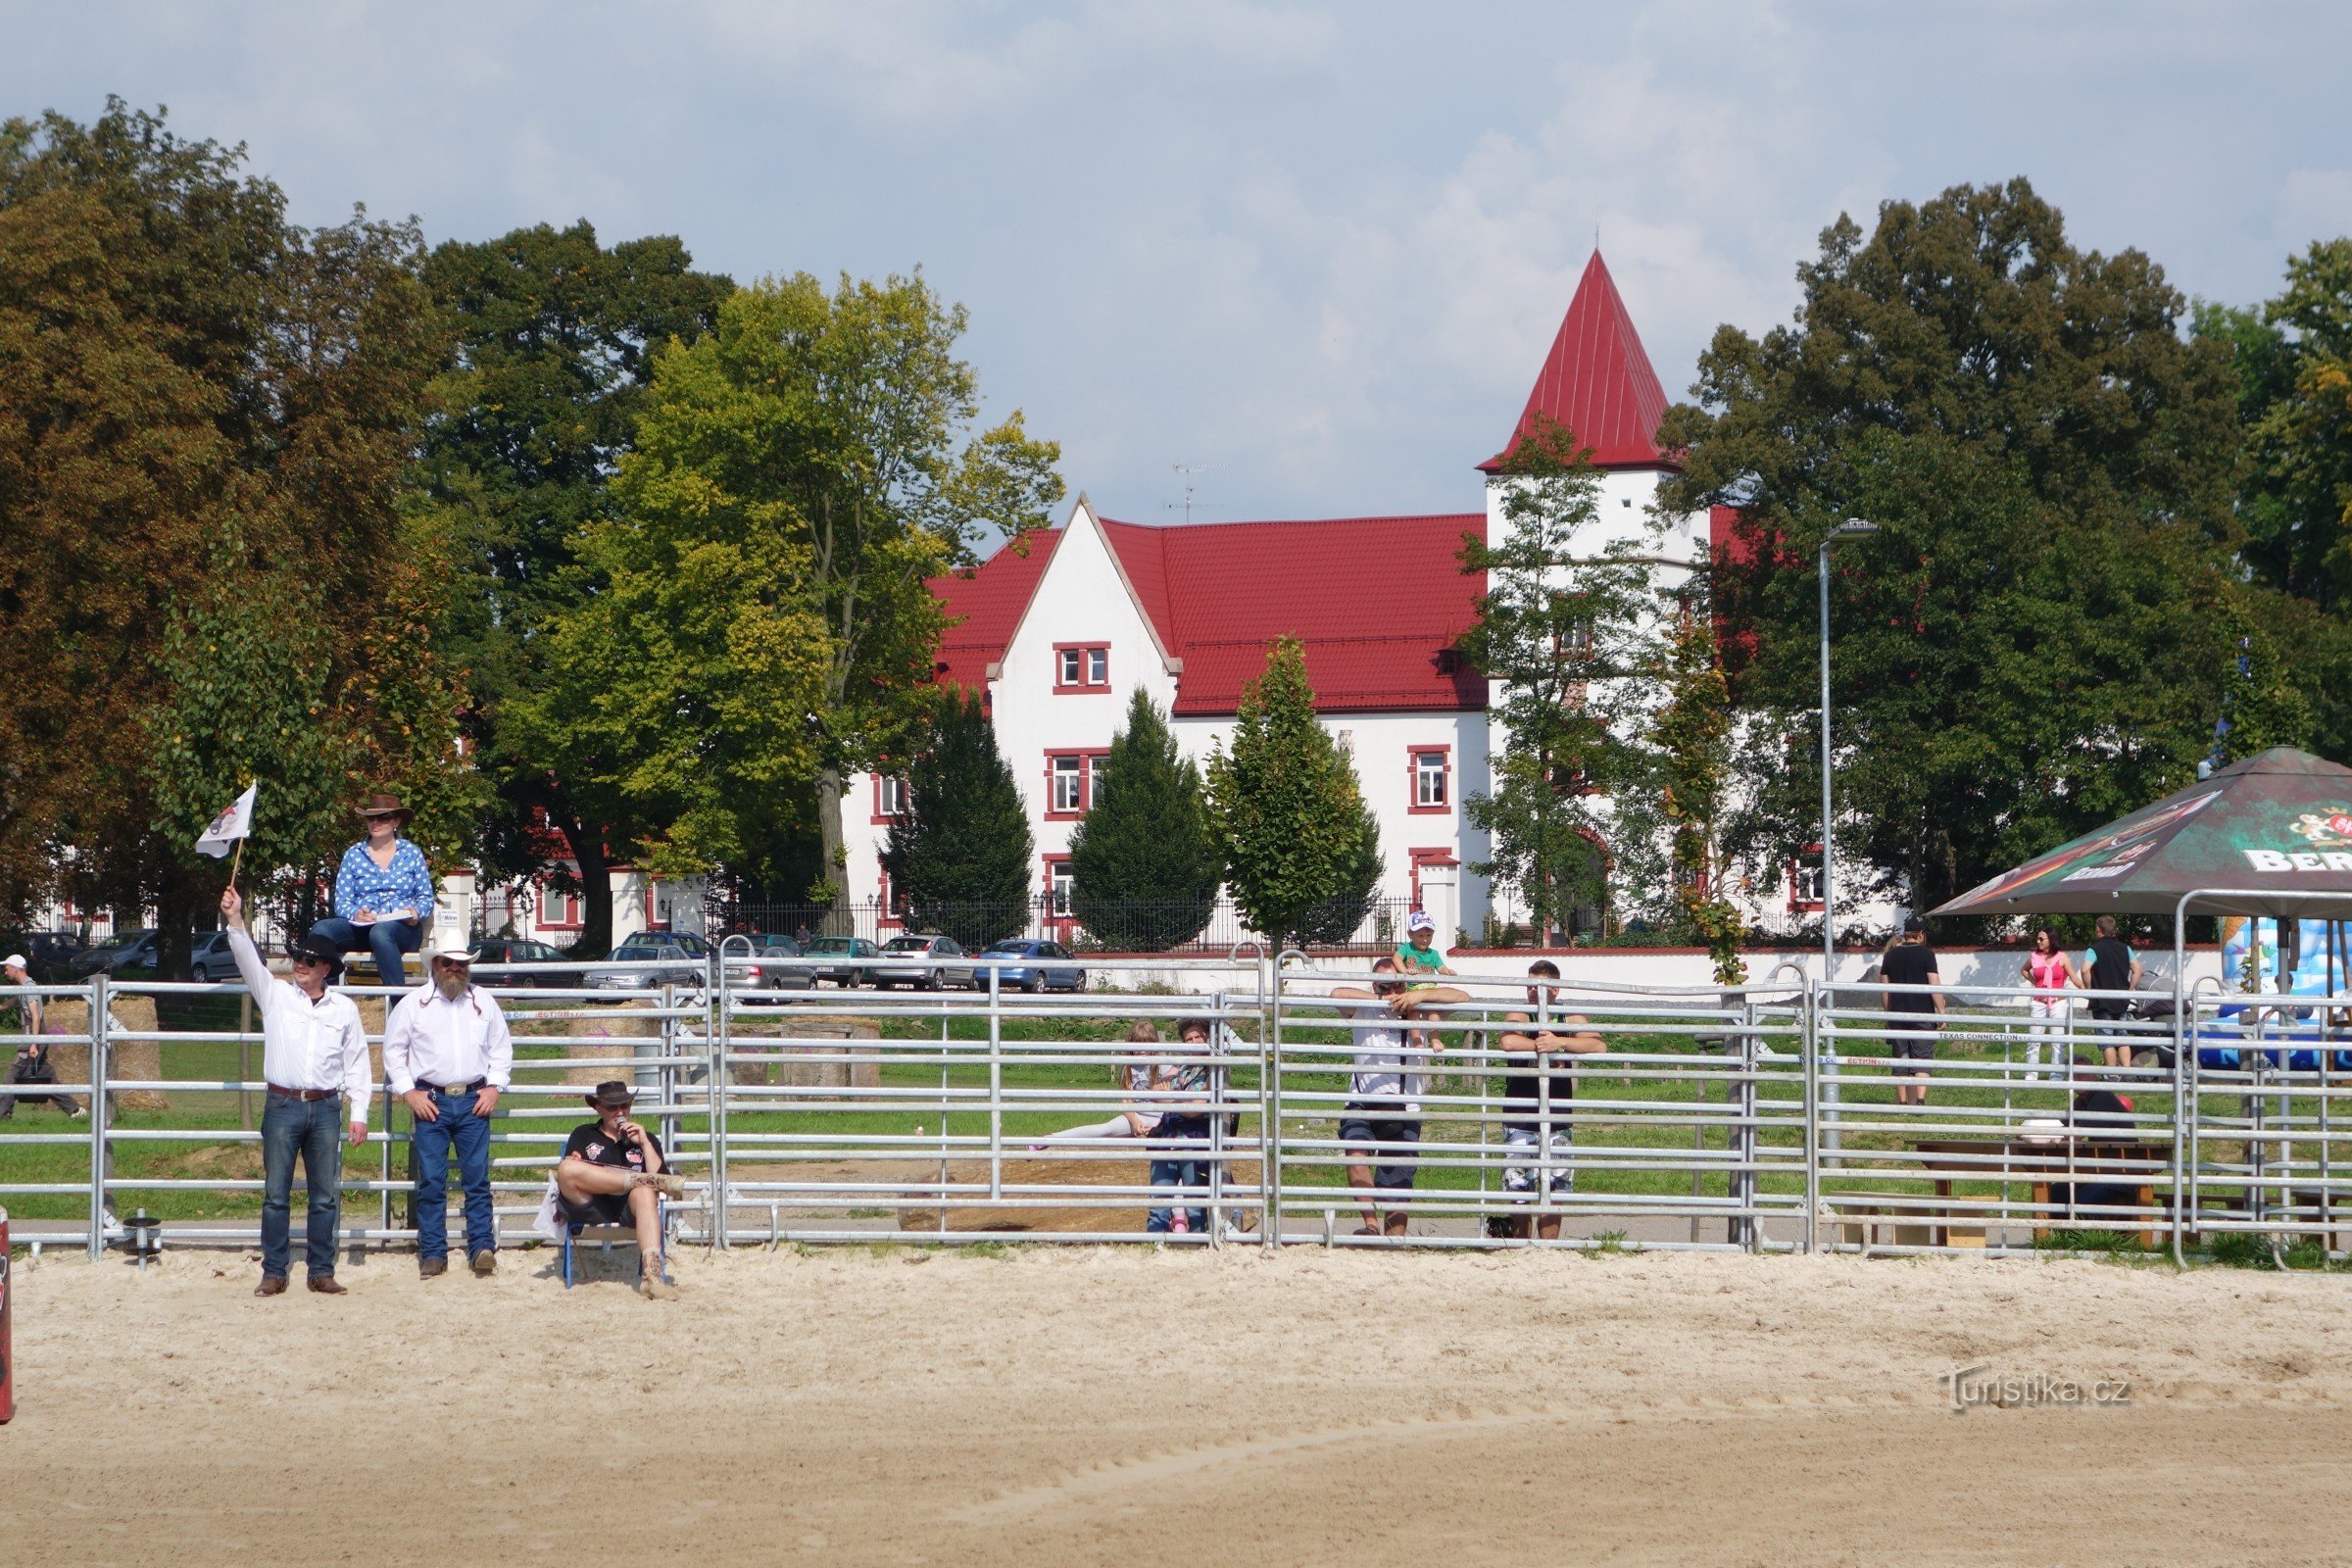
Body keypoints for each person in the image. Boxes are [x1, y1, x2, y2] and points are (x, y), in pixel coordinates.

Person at [221, 886, 372, 1297]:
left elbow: (357, 1061)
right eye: (297, 958)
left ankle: (321, 1270)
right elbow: (247, 960)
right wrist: (236, 920)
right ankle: (274, 1270)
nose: (299, 964)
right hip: (283, 1102)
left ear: (326, 968)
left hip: (325, 1107)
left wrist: (359, 1112)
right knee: (275, 1194)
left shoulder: (345, 1009)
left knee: (324, 1196)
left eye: (308, 960)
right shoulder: (275, 996)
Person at [382, 941, 514, 1279]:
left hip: (474, 1100)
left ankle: (482, 1247)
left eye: (460, 964)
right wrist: (409, 1093)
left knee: (477, 1180)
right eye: (448, 963)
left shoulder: (484, 1002)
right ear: (434, 965)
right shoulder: (413, 1005)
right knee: (432, 1181)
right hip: (431, 1101)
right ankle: (433, 1253)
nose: (455, 969)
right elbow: (393, 1052)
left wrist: (495, 1086)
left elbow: (501, 1048)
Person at [1331, 958, 1468, 1237]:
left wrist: (1420, 995)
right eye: (1385, 984)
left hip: (1406, 1105)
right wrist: (1381, 999)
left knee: (1398, 1179)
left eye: (1398, 984)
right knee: (1356, 1153)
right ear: (1374, 985)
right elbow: (1336, 994)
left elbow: (1462, 998)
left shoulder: (1419, 1008)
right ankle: (1370, 1225)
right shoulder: (1364, 1009)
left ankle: (1394, 1241)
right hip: (1362, 1099)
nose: (1393, 990)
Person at [1494, 959, 1604, 1240]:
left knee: (1555, 1187)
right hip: (1519, 1113)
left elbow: (1598, 1045)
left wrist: (1561, 1043)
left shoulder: (1568, 1017)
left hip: (1557, 1114)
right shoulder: (1521, 1014)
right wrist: (1539, 1047)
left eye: (1539, 987)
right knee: (1518, 1187)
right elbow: (1507, 1041)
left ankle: (1549, 1249)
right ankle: (1520, 1247)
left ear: (1555, 989)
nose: (1532, 992)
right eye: (1529, 986)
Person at [555, 1081, 686, 1299]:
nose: (620, 1112)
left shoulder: (646, 1138)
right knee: (567, 1168)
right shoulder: (584, 1134)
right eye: (612, 1107)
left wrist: (644, 1143)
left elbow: (662, 1180)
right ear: (597, 1108)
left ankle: (652, 1278)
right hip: (592, 1203)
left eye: (624, 1106)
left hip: (630, 1207)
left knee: (645, 1191)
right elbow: (571, 1171)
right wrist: (579, 1163)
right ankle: (638, 1179)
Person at [305, 793, 436, 987]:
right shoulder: (353, 855)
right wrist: (356, 914)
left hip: (402, 929)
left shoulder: (412, 853)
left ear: (396, 821)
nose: (375, 822)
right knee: (320, 930)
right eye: (370, 818)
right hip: (363, 930)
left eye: (383, 817)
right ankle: (326, 994)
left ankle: (398, 1002)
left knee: (381, 932)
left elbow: (426, 897)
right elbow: (342, 901)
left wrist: (415, 912)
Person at [1031, 1021, 1165, 1150]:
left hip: (1162, 1120)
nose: (1141, 1049)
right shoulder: (1129, 1067)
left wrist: (1158, 1126)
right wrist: (1135, 1122)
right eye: (1137, 1043)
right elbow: (1126, 1101)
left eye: (1145, 1042)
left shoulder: (1163, 1065)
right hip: (1138, 1117)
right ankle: (1048, 1139)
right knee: (1104, 1129)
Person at [1145, 1018, 1217, 1235]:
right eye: (1189, 1039)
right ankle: (1154, 1247)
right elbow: (1154, 1092)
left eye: (1198, 1037)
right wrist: (1180, 1101)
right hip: (1166, 1142)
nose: (1194, 1042)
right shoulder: (1181, 1066)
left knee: (1196, 1209)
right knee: (1158, 1204)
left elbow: (1195, 1110)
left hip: (1194, 1145)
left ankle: (1198, 1252)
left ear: (1208, 1039)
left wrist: (1169, 1097)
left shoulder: (1212, 1072)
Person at [0, 952, 81, 1119]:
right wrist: (2, 1007)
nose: (5, 972)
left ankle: (3, 1115)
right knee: (47, 1076)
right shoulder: (25, 987)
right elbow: (16, 1000)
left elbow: (35, 1016)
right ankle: (75, 1111)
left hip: (33, 1033)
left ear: (16, 969)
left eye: (7, 968)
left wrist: (33, 1043)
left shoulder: (29, 988)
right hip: (34, 1034)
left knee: (11, 1076)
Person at [1879, 915, 1944, 1107]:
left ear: (1905, 934)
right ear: (1921, 934)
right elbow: (1934, 984)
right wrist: (1941, 1012)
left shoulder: (1890, 956)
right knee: (1922, 1055)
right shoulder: (1927, 955)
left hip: (1898, 1014)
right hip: (1922, 1013)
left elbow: (1884, 989)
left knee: (1900, 1057)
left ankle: (1903, 1101)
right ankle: (1921, 1099)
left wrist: (1888, 1014)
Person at [2082, 916, 2143, 1068]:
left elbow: (2084, 970)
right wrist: (2130, 990)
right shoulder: (2125, 948)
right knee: (2122, 1038)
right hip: (2121, 1000)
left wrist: (2090, 990)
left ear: (2098, 930)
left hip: (2102, 1001)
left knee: (2106, 1041)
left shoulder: (2094, 949)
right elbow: (2137, 969)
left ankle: (2112, 1074)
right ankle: (2127, 1073)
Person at [2020, 926, 2081, 1082]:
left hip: (2057, 1003)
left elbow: (2074, 978)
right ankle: (2031, 1074)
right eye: (2037, 938)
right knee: (2034, 1039)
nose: (2038, 941)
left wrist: (2090, 993)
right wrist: (2036, 983)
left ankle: (2056, 1074)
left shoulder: (2062, 957)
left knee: (2057, 1040)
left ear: (2051, 940)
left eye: (2041, 939)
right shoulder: (2034, 957)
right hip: (2038, 1002)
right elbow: (2024, 970)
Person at [1393, 907, 1455, 980]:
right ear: (1410, 934)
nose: (1425, 940)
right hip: (1413, 988)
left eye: (1429, 935)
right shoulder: (1406, 948)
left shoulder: (1434, 954)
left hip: (1430, 988)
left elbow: (1441, 967)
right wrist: (1405, 971)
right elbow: (1397, 958)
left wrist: (1447, 971)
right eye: (1420, 936)